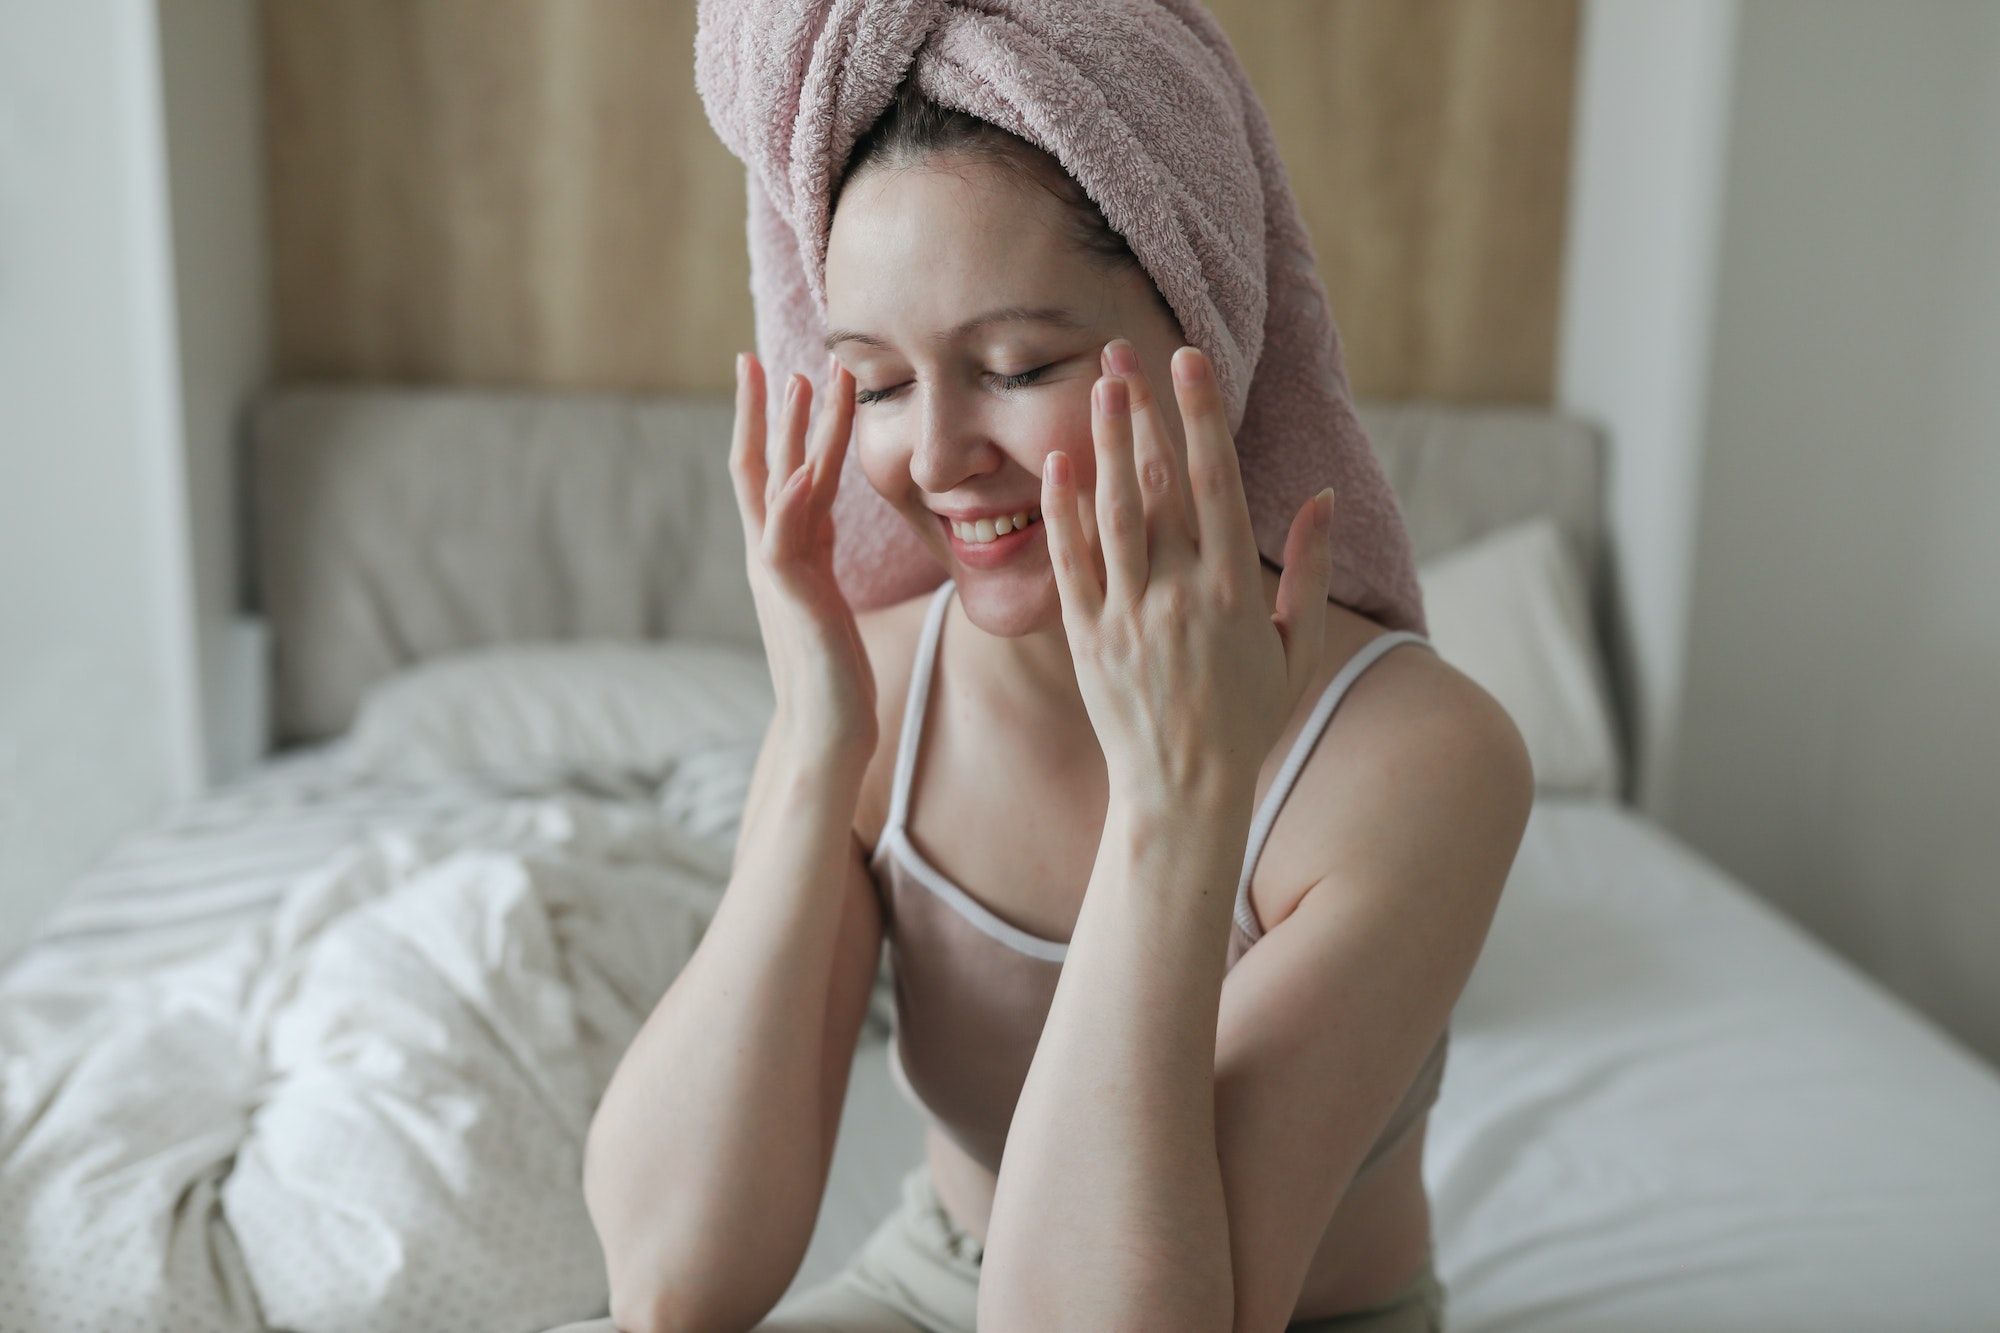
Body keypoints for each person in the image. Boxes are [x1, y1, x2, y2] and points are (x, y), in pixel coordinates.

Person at [577, 8, 1532, 1332]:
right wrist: (812, 749)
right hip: (933, 1285)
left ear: (1204, 331)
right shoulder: (882, 700)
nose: (940, 456)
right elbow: (672, 1282)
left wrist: (1171, 808)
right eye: (879, 384)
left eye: (1018, 365)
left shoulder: (1416, 759)